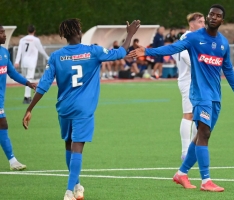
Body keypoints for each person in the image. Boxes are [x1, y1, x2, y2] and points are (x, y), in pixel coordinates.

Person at [128, 4, 234, 192]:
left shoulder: (223, 43)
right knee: (204, 134)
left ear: (222, 20)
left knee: (201, 135)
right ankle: (206, 180)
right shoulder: (193, 38)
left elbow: (229, 70)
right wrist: (148, 51)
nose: (213, 17)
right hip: (199, 95)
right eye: (211, 14)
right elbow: (172, 49)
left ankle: (181, 173)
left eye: (217, 16)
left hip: (215, 97)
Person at [22, 18, 140, 200]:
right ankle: (69, 192)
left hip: (64, 108)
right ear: (79, 32)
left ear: (64, 35)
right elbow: (121, 51)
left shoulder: (56, 56)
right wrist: (130, 33)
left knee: (69, 145)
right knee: (77, 147)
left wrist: (30, 108)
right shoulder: (93, 51)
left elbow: (44, 85)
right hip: (83, 109)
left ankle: (77, 186)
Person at [0, 25, 36, 170]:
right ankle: (13, 161)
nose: (4, 35)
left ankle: (12, 161)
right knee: (3, 124)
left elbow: (12, 72)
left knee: (2, 125)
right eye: (1, 32)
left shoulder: (4, 52)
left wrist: (27, 83)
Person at [171, 12, 205, 161]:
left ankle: (193, 149)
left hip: (197, 81)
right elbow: (185, 56)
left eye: (204, 22)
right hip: (188, 81)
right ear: (192, 24)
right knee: (188, 115)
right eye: (201, 22)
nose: (204, 24)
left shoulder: (197, 38)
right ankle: (185, 152)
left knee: (198, 116)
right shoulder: (186, 37)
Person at [14, 25, 49, 104]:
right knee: (29, 79)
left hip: (24, 62)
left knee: (26, 80)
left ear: (27, 31)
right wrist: (47, 57)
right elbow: (41, 49)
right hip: (31, 62)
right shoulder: (35, 40)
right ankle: (27, 97)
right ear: (34, 31)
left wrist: (17, 61)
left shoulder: (22, 39)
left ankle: (27, 96)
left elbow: (19, 51)